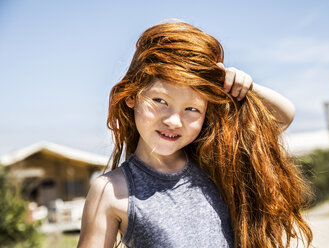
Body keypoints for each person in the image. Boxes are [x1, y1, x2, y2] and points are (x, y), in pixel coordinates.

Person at [77, 21, 312, 248]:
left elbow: (283, 116)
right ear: (131, 96)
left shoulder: (216, 160)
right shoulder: (112, 190)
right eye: (160, 101)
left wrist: (246, 89)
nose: (173, 121)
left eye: (192, 109)